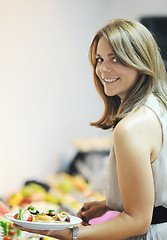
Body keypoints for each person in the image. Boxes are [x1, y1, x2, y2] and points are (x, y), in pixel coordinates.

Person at [14, 18, 167, 239]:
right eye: (99, 59)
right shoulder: (158, 106)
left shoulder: (130, 128)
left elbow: (138, 221)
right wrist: (110, 204)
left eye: (115, 58)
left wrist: (70, 234)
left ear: (140, 60)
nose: (103, 69)